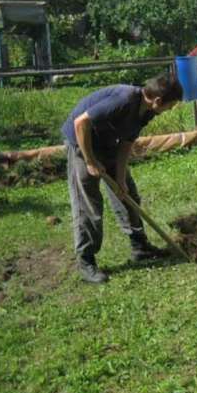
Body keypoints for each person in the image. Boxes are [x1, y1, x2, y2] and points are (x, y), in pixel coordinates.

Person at [61, 73, 183, 283]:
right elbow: (81, 123)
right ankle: (86, 260)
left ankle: (140, 247)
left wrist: (120, 179)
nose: (170, 110)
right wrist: (90, 160)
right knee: (89, 204)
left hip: (108, 143)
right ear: (158, 101)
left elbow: (127, 143)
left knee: (128, 195)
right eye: (170, 106)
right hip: (82, 142)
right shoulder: (124, 100)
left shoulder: (147, 112)